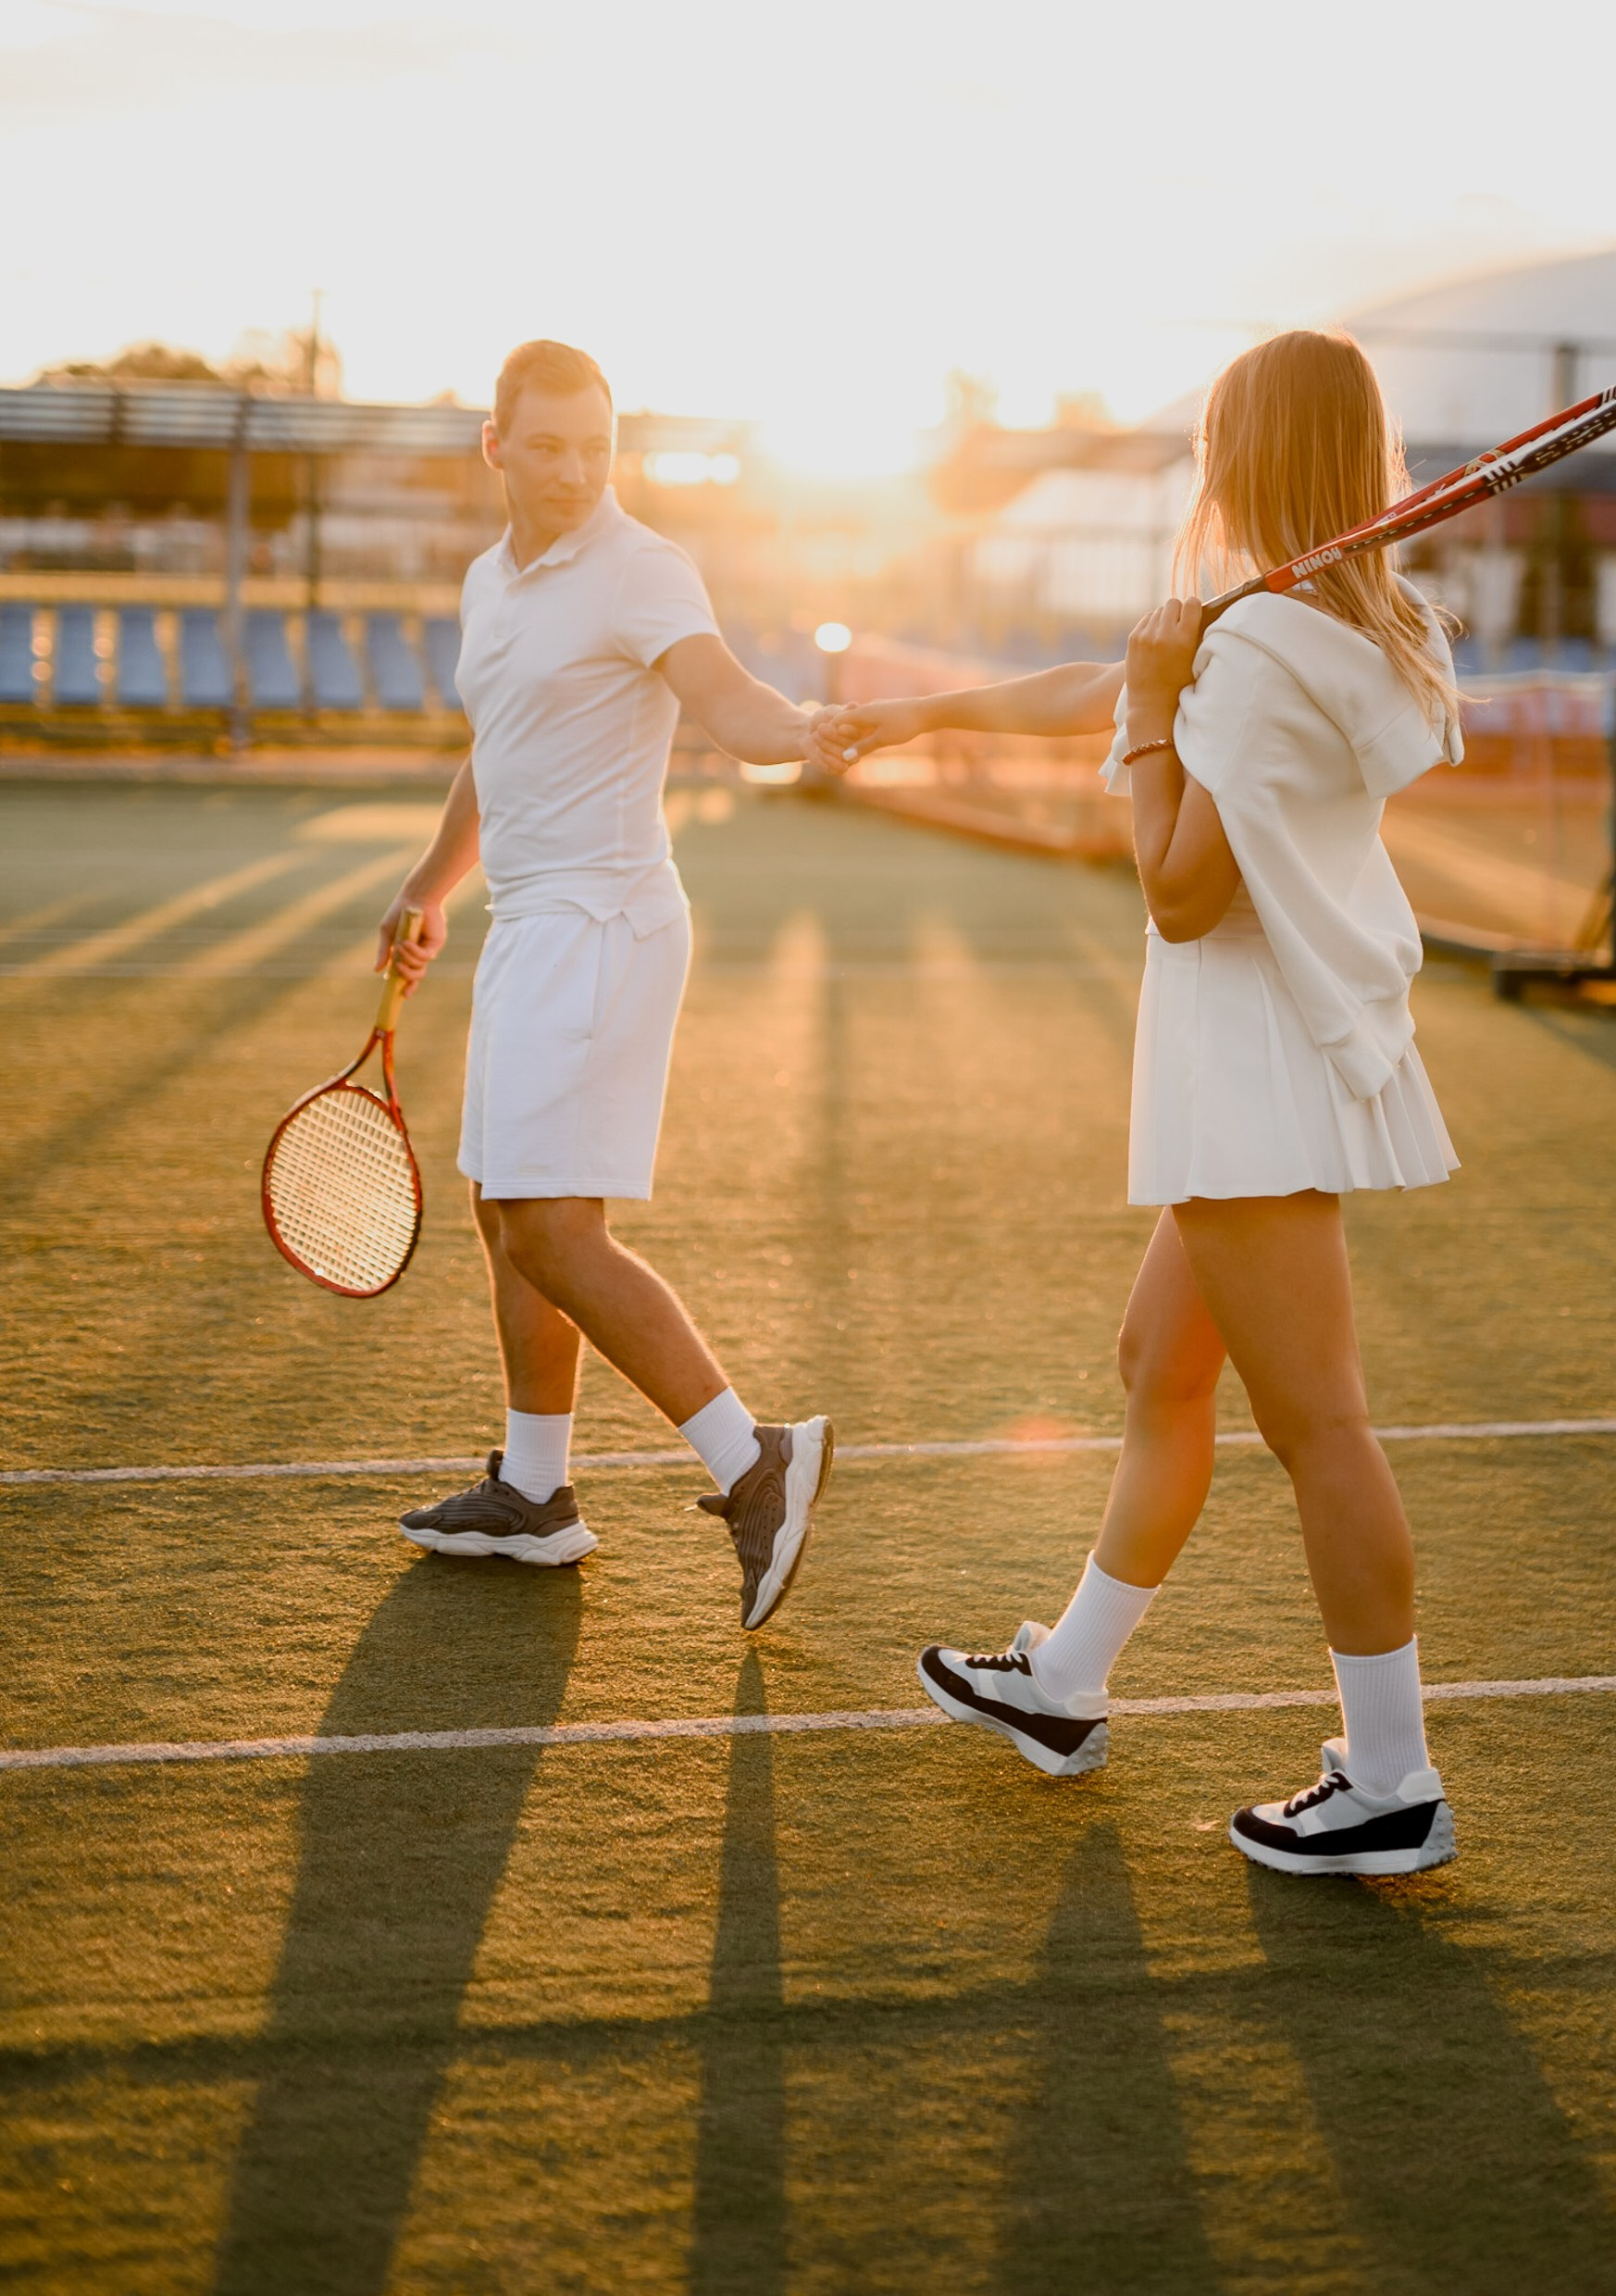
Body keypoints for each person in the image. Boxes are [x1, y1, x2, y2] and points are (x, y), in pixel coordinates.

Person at [829, 329, 1462, 1875]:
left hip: (1241, 1064)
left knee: (1323, 1430)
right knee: (1153, 1366)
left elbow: (1178, 888)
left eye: (1213, 440)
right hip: (1256, 1058)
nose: (1199, 464)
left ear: (1247, 455)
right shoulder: (1309, 625)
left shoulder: (1253, 654)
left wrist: (1150, 714)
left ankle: (1393, 1783)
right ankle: (1064, 1684)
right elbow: (1127, 684)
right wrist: (927, 717)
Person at [377, 339, 839, 1628]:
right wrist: (429, 884)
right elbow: (498, 746)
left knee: (552, 1230)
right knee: (499, 1210)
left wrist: (803, 730)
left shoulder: (643, 568)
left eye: (597, 446)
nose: (577, 471)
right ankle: (536, 1494)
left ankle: (757, 1462)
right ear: (497, 447)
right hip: (531, 920)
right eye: (550, 445)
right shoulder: (492, 583)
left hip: (606, 924)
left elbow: (729, 701)